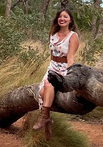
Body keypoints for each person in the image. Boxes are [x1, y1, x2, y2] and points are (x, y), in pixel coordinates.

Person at [33, 9, 79, 139]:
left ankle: (43, 118)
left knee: (48, 86)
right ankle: (47, 120)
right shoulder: (53, 34)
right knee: (42, 92)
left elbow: (70, 57)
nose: (62, 18)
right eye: (60, 16)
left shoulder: (73, 36)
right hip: (52, 66)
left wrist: (70, 74)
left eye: (65, 16)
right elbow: (52, 55)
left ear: (70, 20)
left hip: (64, 68)